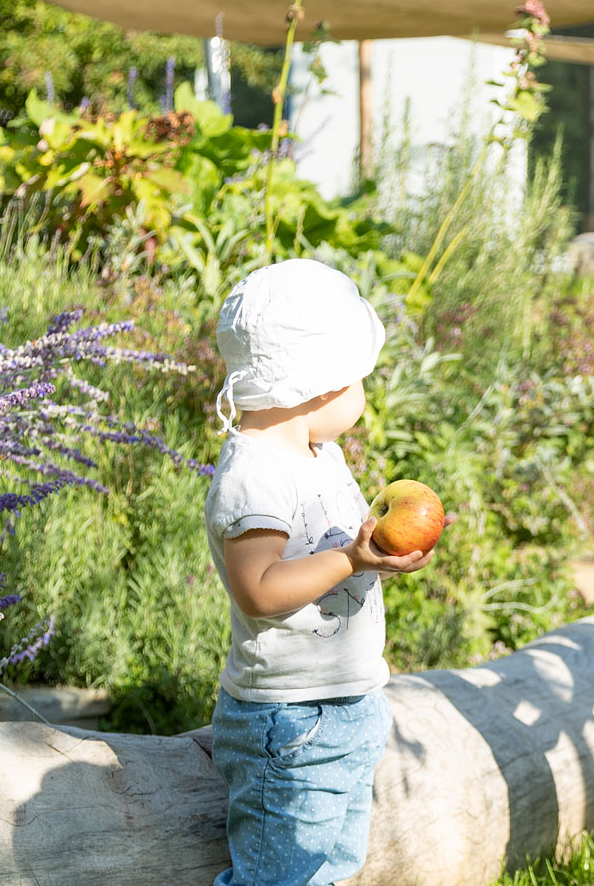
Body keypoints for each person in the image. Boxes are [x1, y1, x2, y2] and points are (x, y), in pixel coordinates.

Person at [203, 258, 434, 886]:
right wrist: (354, 558)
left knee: (325, 870)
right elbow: (260, 590)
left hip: (347, 703)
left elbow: (336, 554)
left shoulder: (317, 454)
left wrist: (377, 561)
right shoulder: (257, 475)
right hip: (292, 721)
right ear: (316, 384)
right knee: (279, 878)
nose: (362, 396)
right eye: (358, 381)